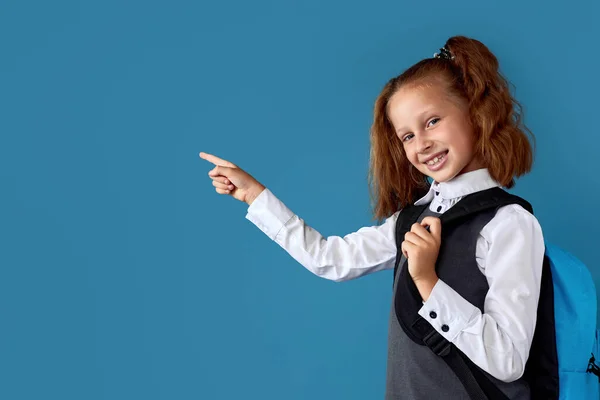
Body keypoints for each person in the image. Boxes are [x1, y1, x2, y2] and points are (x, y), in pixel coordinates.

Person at [199, 35, 544, 399]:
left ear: (475, 111)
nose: (421, 144)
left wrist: (427, 280)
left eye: (433, 121)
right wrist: (254, 195)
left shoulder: (509, 223)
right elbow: (329, 259)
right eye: (407, 135)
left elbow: (508, 359)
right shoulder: (408, 220)